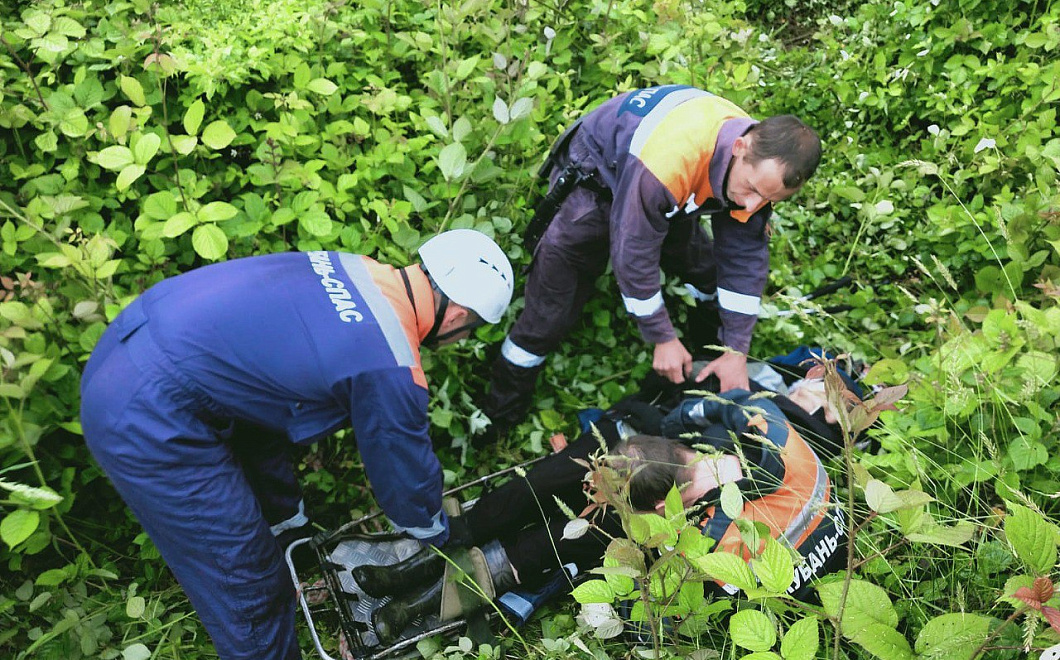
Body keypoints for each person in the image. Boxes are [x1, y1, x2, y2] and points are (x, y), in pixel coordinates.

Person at [79, 230, 514, 660]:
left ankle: (289, 538)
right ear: (457, 315)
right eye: (469, 331)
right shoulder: (392, 363)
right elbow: (403, 475)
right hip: (149, 415)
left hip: (131, 343)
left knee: (265, 425)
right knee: (250, 582)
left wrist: (291, 521)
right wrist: (440, 530)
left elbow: (269, 404)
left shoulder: (354, 267)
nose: (461, 339)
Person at [354, 387, 846, 644]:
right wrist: (675, 421)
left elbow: (659, 614)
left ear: (661, 511)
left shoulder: (717, 544)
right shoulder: (769, 428)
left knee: (582, 532)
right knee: (552, 479)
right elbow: (723, 407)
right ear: (679, 452)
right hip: (680, 480)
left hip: (737, 564)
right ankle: (424, 559)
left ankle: (421, 604)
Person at [480, 84, 822, 444]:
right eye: (751, 191)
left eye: (767, 200)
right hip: (596, 178)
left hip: (667, 194)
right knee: (550, 312)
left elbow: (744, 259)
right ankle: (498, 416)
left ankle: (710, 356)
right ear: (740, 148)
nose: (751, 207)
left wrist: (736, 349)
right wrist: (661, 336)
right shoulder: (671, 162)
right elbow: (633, 252)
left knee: (709, 273)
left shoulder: (759, 163)